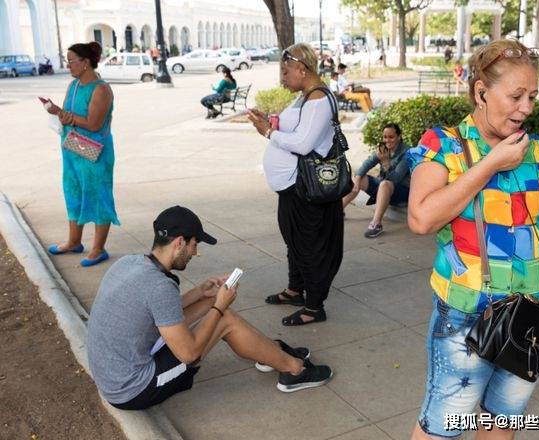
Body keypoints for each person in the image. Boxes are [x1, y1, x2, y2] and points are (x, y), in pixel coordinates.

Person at [406, 39, 539, 439]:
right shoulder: (446, 146)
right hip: (467, 316)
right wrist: (490, 164)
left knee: (501, 422)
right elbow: (421, 219)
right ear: (481, 92)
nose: (526, 108)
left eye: (532, 97)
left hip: (533, 314)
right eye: (516, 96)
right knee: (442, 428)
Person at [86, 206, 333, 410]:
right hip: (132, 389)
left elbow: (158, 311)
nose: (196, 252)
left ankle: (269, 353)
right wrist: (218, 307)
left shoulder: (130, 263)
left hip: (114, 374)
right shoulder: (159, 286)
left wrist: (201, 293)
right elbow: (189, 354)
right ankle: (294, 370)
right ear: (180, 242)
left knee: (214, 306)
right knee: (223, 318)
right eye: (195, 244)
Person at [247, 43, 344, 326]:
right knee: (295, 241)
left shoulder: (319, 100)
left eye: (286, 71)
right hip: (293, 186)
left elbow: (303, 144)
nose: (283, 77)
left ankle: (313, 307)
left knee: (309, 246)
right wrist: (269, 122)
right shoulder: (306, 96)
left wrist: (267, 132)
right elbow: (296, 131)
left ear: (302, 69)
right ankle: (294, 289)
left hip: (304, 187)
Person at [44, 42, 119, 267]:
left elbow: (94, 125)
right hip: (73, 148)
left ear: (85, 63)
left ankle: (98, 248)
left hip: (95, 152)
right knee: (73, 191)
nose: (68, 65)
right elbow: (71, 115)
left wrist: (69, 117)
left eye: (71, 61)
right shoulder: (73, 85)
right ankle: (74, 241)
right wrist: (57, 112)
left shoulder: (101, 89)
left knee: (98, 195)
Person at [343, 123, 410, 238]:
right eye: (385, 137)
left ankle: (376, 224)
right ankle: (337, 211)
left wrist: (385, 163)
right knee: (361, 178)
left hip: (402, 192)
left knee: (384, 184)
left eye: (391, 137)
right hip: (384, 188)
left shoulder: (407, 153)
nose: (387, 140)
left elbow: (395, 179)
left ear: (399, 137)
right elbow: (365, 165)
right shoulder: (383, 149)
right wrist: (358, 178)